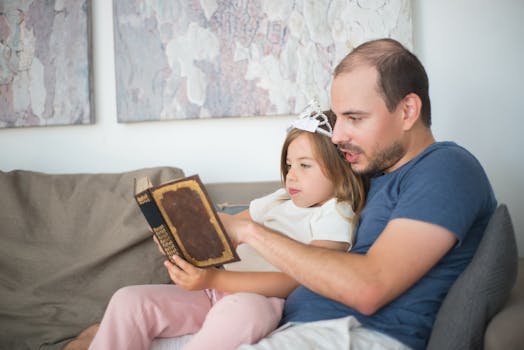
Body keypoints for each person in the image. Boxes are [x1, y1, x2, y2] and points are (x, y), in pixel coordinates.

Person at [220, 38, 497, 350]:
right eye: (338, 119)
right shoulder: (370, 175)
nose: (337, 136)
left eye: (354, 118)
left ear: (407, 111)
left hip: (355, 336)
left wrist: (249, 232)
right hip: (303, 330)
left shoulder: (446, 168)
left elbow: (370, 287)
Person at [70, 103, 367, 350]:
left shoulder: (335, 212)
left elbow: (301, 280)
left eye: (305, 165)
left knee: (242, 313)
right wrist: (178, 239)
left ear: (341, 172)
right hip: (210, 291)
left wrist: (212, 281)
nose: (291, 176)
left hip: (260, 299)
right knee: (128, 300)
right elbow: (222, 230)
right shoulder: (279, 199)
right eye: (289, 165)